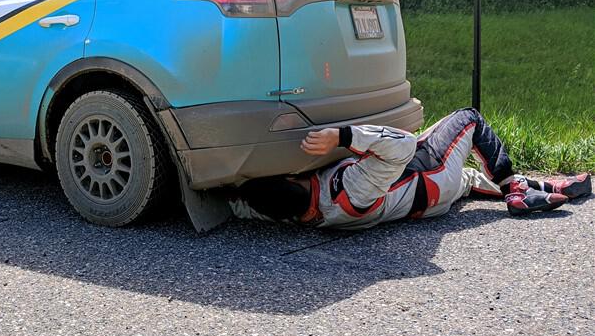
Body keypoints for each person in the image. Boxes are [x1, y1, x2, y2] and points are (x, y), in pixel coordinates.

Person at [231, 108, 591, 228]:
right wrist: (341, 137)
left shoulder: (301, 213)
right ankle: (516, 191)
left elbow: (244, 204)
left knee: (469, 179)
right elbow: (402, 144)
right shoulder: (348, 191)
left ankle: (553, 187)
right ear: (293, 177)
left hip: (433, 200)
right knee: (469, 118)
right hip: (431, 174)